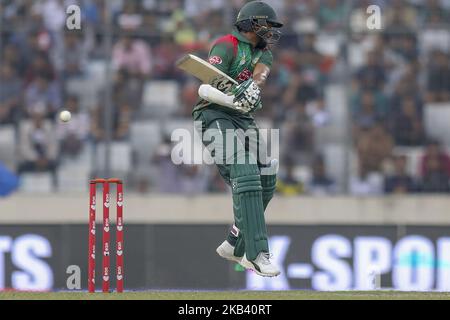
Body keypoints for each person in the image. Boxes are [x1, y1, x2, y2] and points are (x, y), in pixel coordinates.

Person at [192, 1, 283, 277]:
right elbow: (205, 87)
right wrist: (233, 98)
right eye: (266, 25)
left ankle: (235, 242)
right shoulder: (226, 45)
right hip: (213, 115)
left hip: (243, 117)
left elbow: (261, 74)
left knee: (267, 174)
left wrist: (254, 86)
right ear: (252, 23)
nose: (270, 31)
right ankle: (256, 253)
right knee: (244, 169)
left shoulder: (263, 53)